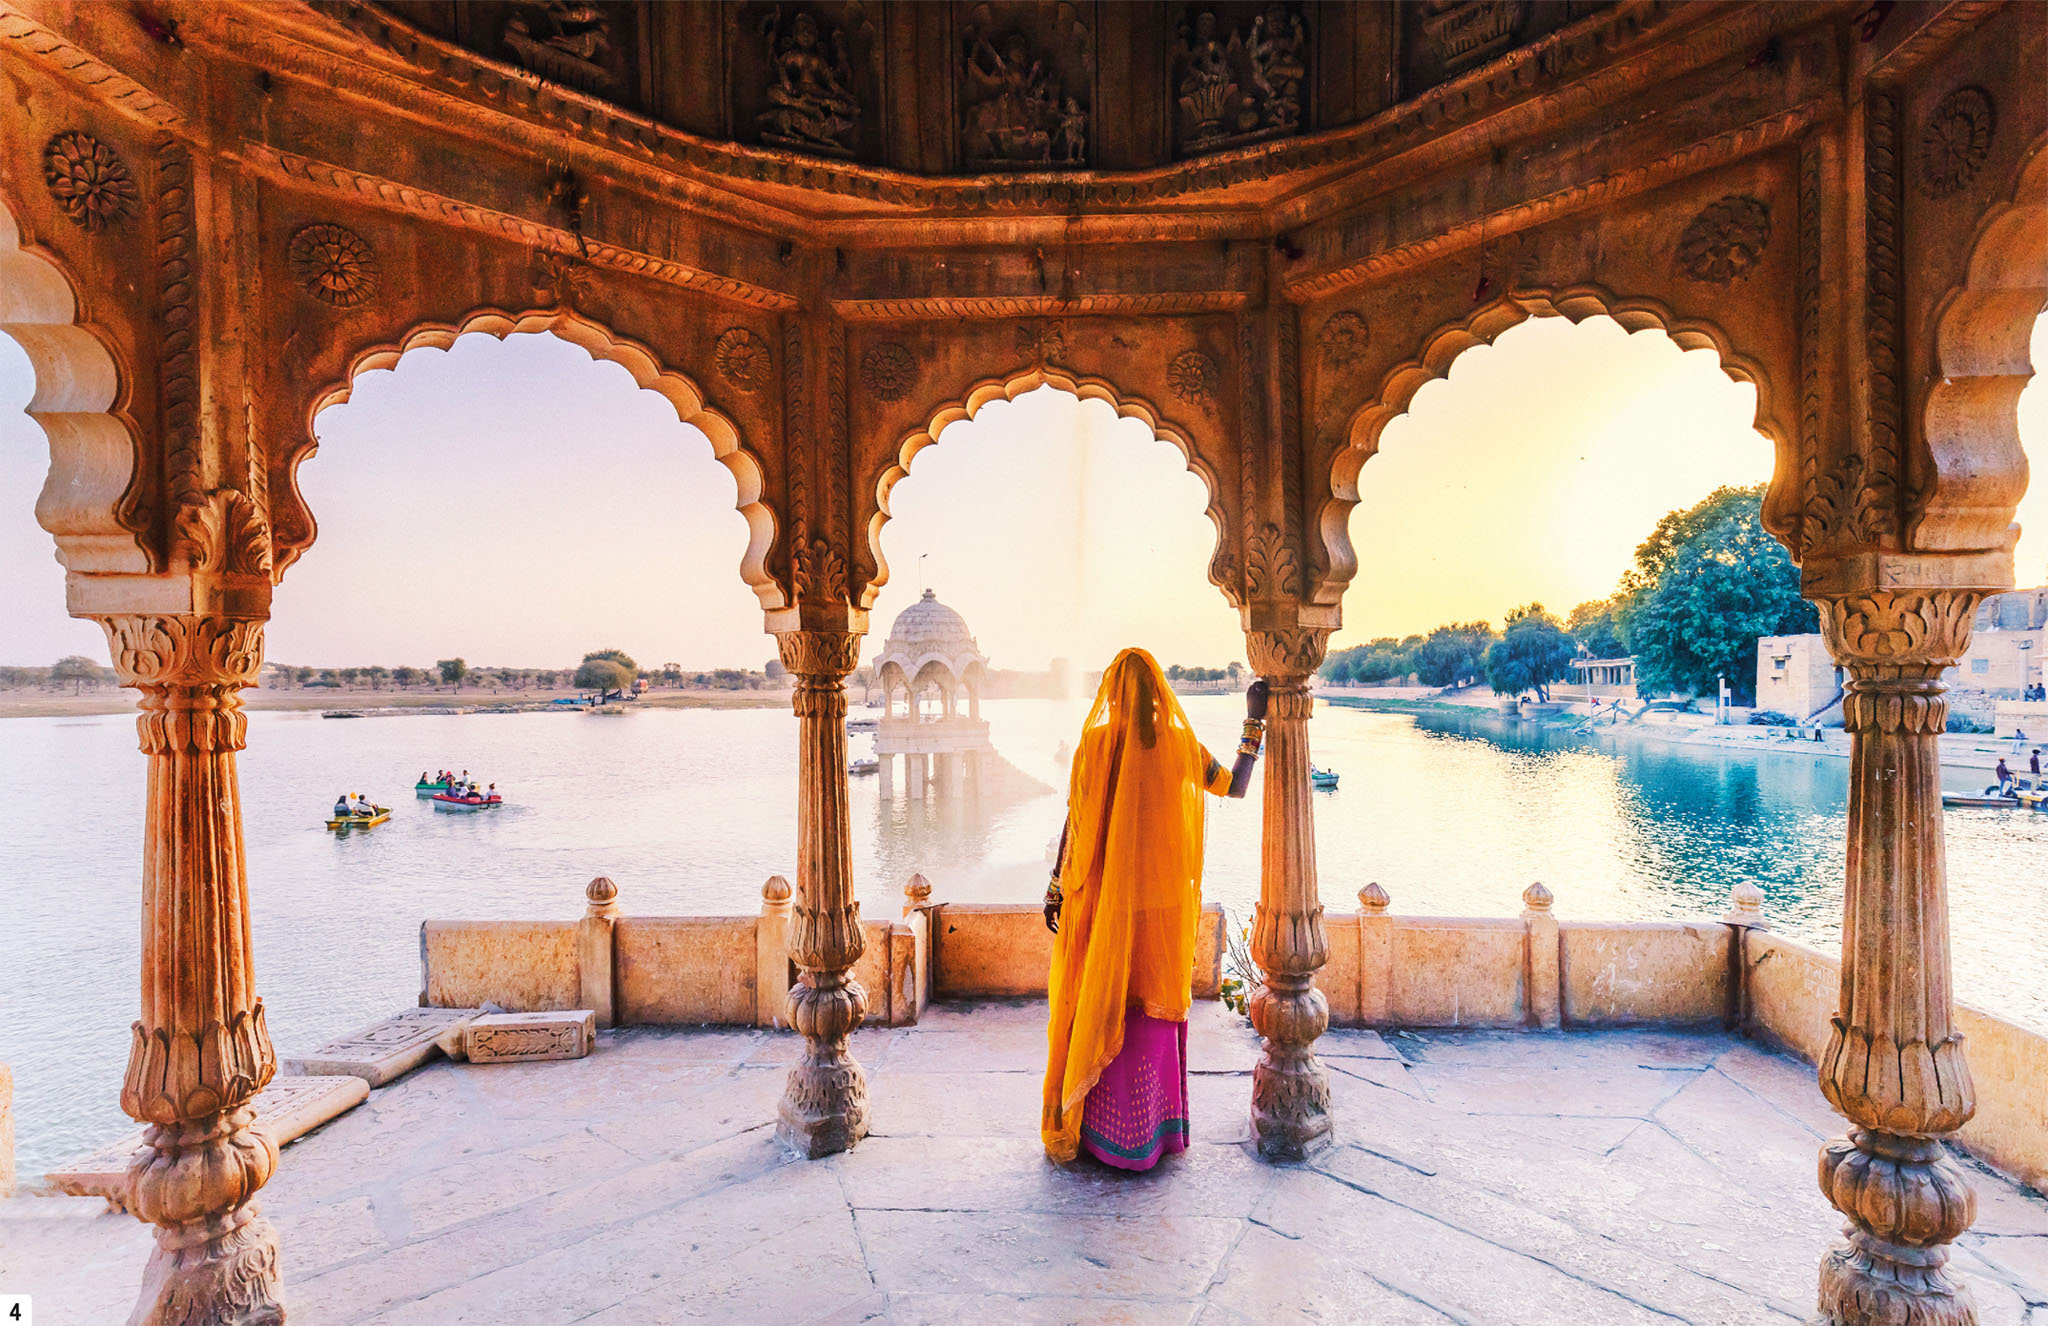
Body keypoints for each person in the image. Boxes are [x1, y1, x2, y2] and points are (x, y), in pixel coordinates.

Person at [1040, 648, 1267, 1170]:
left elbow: (1075, 823)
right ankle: (1153, 1134)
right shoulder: (1180, 745)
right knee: (1150, 1008)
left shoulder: (1095, 745)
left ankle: (1099, 1133)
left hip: (1106, 903)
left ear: (1113, 696)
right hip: (1161, 907)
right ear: (1160, 693)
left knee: (1107, 1002)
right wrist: (1254, 721)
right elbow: (1234, 785)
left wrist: (1056, 886)